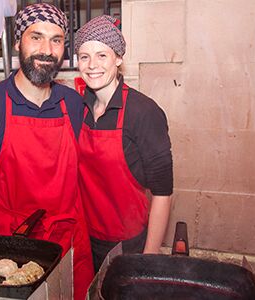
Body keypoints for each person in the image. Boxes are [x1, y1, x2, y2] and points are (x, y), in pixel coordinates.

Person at [0, 3, 94, 299]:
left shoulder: (74, 104)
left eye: (56, 40)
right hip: (10, 246)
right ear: (18, 41)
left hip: (67, 245)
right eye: (36, 37)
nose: (47, 49)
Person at [74, 15, 174, 271]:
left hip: (131, 244)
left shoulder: (144, 112)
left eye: (102, 56)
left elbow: (163, 193)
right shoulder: (78, 109)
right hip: (87, 237)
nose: (92, 65)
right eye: (84, 56)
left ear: (119, 58)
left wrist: (148, 260)